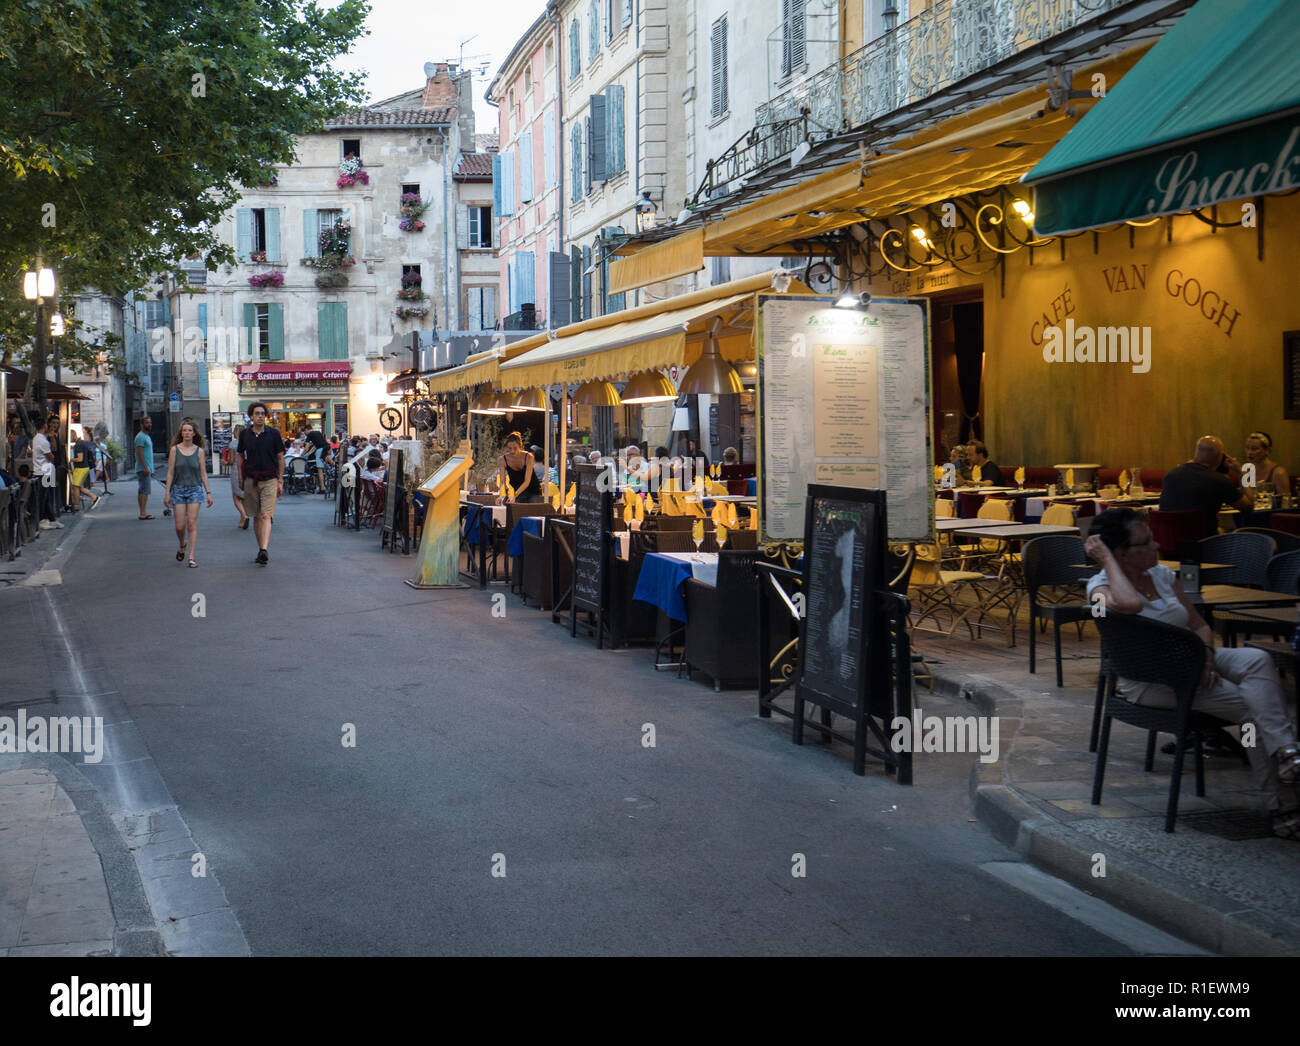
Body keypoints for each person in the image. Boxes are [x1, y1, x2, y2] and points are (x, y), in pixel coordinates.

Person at [1085, 507, 1300, 840]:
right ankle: (1281, 806)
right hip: (1152, 682)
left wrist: (1208, 659)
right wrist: (1107, 562)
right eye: (1147, 542)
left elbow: (1199, 625)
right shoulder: (1099, 589)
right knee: (1251, 713)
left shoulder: (1162, 576)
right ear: (1122, 554)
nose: (1158, 546)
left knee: (1256, 658)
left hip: (1194, 662)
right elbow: (1130, 605)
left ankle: (1286, 752)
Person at [1159, 436, 1252, 536]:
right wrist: (1241, 473)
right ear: (1220, 457)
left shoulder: (1171, 474)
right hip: (1205, 543)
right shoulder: (1219, 480)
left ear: (1196, 453)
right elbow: (1248, 506)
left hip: (1167, 540)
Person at [236, 402, 285, 565]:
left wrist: (280, 481)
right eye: (257, 413)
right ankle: (260, 549)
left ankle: (264, 549)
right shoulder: (245, 434)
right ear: (251, 416)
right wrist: (241, 477)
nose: (260, 416)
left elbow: (280, 458)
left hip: (270, 479)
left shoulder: (274, 434)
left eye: (263, 414)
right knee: (256, 516)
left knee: (266, 515)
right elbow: (240, 455)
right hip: (251, 479)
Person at [162, 420, 214, 567]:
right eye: (184, 430)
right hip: (178, 489)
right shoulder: (174, 450)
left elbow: (203, 474)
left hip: (195, 490)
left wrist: (208, 493)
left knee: (191, 524)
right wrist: (167, 493)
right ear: (181, 433)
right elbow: (170, 473)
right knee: (180, 526)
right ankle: (182, 543)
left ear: (194, 433)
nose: (187, 433)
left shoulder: (199, 452)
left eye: (189, 430)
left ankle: (191, 557)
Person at [31, 415, 62, 530]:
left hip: (48, 470)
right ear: (45, 425)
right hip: (43, 470)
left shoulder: (39, 438)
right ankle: (42, 520)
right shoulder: (41, 440)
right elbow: (51, 456)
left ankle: (51, 519)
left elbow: (54, 450)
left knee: (47, 496)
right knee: (43, 497)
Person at [496, 431, 541, 503]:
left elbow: (527, 481)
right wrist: (501, 496)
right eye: (509, 448)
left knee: (531, 512)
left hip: (532, 491)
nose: (512, 451)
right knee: (517, 512)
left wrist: (514, 495)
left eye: (515, 448)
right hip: (516, 490)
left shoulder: (529, 457)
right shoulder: (503, 459)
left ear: (520, 446)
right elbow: (502, 481)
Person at [1244, 431, 1290, 498]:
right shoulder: (1245, 470)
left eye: (1254, 449)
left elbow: (1285, 503)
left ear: (1267, 450)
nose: (1249, 452)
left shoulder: (1278, 473)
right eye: (1247, 448)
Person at [70, 427, 101, 511]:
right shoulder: (81, 443)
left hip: (81, 468)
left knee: (75, 487)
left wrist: (70, 459)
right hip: (84, 467)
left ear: (73, 435)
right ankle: (94, 497)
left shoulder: (79, 444)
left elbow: (80, 459)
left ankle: (77, 506)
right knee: (77, 487)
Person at [134, 416, 156, 519]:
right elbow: (139, 453)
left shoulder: (147, 436)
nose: (149, 424)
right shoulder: (141, 437)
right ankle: (142, 513)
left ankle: (143, 512)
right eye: (147, 423)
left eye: (150, 423)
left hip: (146, 468)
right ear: (142, 425)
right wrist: (145, 467)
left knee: (144, 490)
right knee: (144, 490)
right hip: (143, 468)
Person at [229, 424, 249, 529]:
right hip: (247, 470)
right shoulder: (249, 443)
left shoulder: (233, 444)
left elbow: (231, 461)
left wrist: (224, 461)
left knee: (236, 495)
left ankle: (244, 515)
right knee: (244, 495)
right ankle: (242, 518)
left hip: (236, 471)